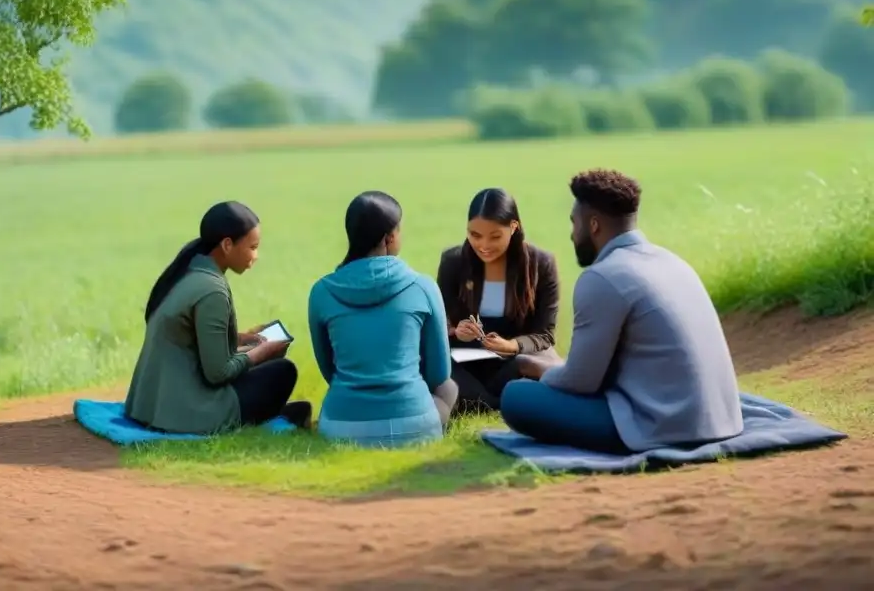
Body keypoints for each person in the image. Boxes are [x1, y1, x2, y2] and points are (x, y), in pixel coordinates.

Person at [500, 169, 744, 454]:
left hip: (659, 427)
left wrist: (542, 368)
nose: (572, 234)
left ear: (593, 225)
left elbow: (581, 383)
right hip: (719, 420)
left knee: (516, 396)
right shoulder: (673, 262)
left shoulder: (602, 277)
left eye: (573, 223)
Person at [125, 201, 312, 436]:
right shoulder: (212, 290)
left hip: (151, 405)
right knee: (283, 371)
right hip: (186, 412)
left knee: (259, 358)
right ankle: (278, 414)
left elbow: (191, 340)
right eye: (252, 247)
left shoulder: (189, 271)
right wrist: (260, 353)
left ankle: (284, 411)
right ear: (227, 244)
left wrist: (243, 339)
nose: (256, 256)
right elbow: (218, 373)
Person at [308, 191, 458, 448]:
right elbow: (439, 374)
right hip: (413, 425)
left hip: (341, 428)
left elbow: (328, 368)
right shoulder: (423, 287)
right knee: (450, 388)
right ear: (389, 238)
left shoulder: (321, 292)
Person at [436, 188, 562, 414]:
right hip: (467, 362)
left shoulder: (541, 264)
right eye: (475, 235)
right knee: (431, 363)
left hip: (517, 360)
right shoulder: (453, 262)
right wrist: (456, 331)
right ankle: (496, 402)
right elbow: (443, 324)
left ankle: (481, 402)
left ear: (513, 228)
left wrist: (512, 345)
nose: (483, 245)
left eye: (495, 237)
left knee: (537, 365)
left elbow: (545, 335)